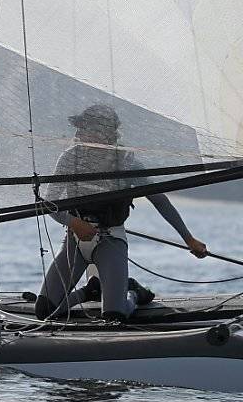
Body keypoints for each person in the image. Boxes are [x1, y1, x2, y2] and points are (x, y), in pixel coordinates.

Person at [35, 104, 208, 322]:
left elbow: (160, 201)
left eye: (90, 128)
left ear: (109, 133)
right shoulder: (70, 158)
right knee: (44, 311)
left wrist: (189, 239)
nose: (82, 133)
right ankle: (89, 292)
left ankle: (134, 293)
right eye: (82, 128)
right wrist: (73, 223)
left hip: (111, 240)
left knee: (114, 316)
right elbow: (50, 202)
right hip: (75, 241)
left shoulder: (127, 163)